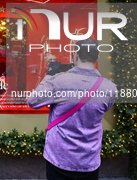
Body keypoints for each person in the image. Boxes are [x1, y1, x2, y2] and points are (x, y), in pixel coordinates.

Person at [28, 38, 116, 180]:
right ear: (97, 57)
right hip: (89, 161)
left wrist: (50, 74)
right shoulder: (110, 88)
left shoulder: (57, 81)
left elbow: (33, 101)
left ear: (75, 55)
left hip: (59, 158)